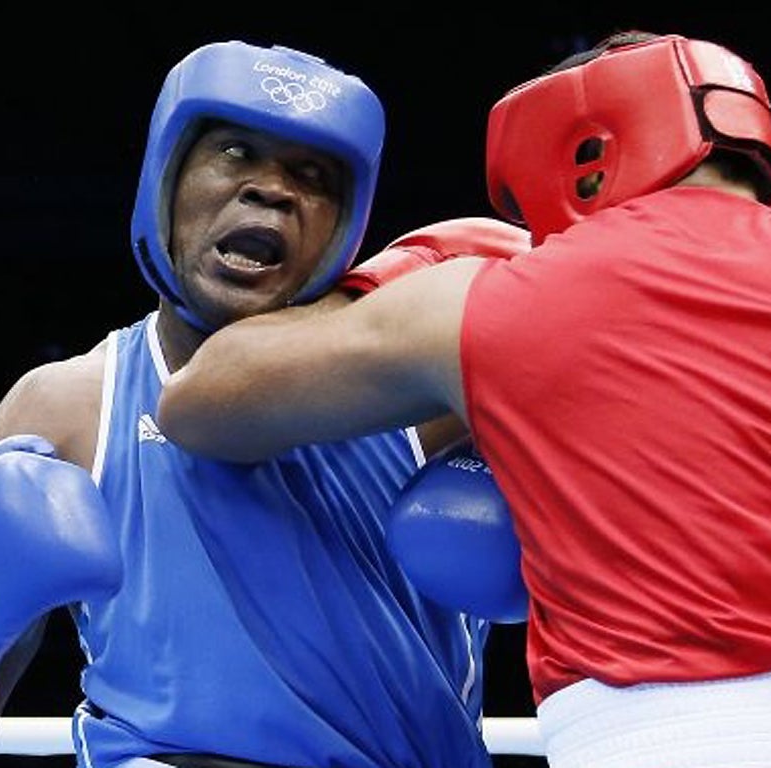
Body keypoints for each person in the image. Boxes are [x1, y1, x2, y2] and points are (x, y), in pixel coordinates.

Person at [0, 39, 531, 768]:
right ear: (167, 179)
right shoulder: (68, 409)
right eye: (234, 153)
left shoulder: (423, 393)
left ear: (347, 224)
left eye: (311, 175)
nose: (270, 190)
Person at [157, 31, 771, 768]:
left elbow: (200, 403)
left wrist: (395, 280)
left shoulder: (501, 299)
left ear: (583, 146)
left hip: (667, 737)